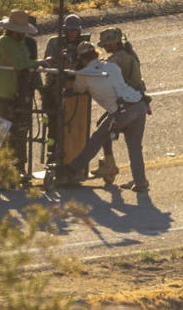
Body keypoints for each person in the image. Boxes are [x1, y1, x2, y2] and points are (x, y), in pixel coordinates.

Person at [63, 42, 149, 192]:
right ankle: (141, 183)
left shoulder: (84, 74)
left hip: (122, 112)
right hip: (139, 105)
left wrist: (74, 72)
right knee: (134, 147)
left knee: (98, 138)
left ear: (81, 59)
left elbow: (78, 89)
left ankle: (72, 171)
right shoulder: (112, 66)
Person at [91, 27, 152, 183]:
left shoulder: (119, 58)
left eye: (106, 44)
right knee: (134, 147)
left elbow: (102, 69)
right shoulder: (127, 53)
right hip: (136, 102)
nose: (104, 47)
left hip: (127, 105)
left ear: (114, 43)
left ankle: (109, 165)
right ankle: (140, 180)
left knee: (104, 132)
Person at [0, 9, 42, 175]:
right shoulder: (5, 42)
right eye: (21, 32)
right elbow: (20, 63)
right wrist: (40, 63)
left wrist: (33, 63)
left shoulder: (20, 43)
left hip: (18, 94)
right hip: (4, 94)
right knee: (4, 132)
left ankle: (18, 167)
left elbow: (26, 61)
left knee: (20, 130)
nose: (23, 35)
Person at [42, 14, 84, 161]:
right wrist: (61, 65)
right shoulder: (54, 43)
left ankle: (70, 157)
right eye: (70, 30)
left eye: (75, 31)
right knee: (53, 127)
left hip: (73, 92)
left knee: (72, 127)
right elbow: (47, 62)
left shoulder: (82, 45)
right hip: (53, 89)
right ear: (65, 30)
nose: (73, 33)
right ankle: (52, 156)